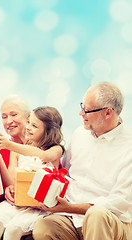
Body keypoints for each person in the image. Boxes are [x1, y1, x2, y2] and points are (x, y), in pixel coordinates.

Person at [32, 82, 132, 240]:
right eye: (81, 106)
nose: (80, 113)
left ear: (108, 113)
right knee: (44, 227)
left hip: (111, 220)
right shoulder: (80, 134)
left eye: (86, 110)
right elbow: (64, 173)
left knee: (96, 213)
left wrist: (72, 207)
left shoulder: (129, 146)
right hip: (73, 217)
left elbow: (118, 203)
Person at [0, 106, 64, 240]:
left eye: (34, 126)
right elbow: (11, 181)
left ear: (48, 130)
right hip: (18, 204)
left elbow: (43, 156)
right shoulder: (17, 149)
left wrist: (8, 145)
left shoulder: (55, 150)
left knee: (13, 229)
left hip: (38, 207)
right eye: (28, 122)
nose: (28, 127)